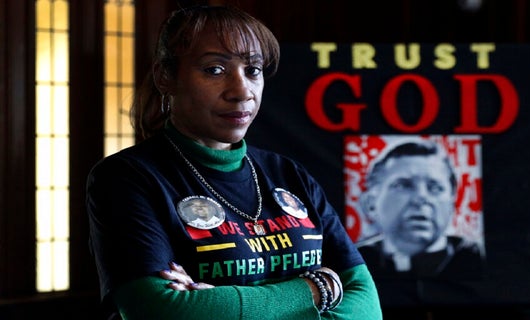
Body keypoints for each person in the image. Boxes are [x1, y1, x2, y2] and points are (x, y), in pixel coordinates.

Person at [85, 5, 382, 320]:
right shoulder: (126, 178)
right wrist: (316, 289)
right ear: (165, 77)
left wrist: (222, 306)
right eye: (214, 69)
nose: (242, 91)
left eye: (252, 70)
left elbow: (367, 305)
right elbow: (160, 311)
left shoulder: (289, 174)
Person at [357, 140, 484, 280]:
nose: (421, 198)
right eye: (403, 185)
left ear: (453, 203)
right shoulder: (352, 262)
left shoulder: (475, 259)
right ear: (370, 203)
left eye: (435, 188)